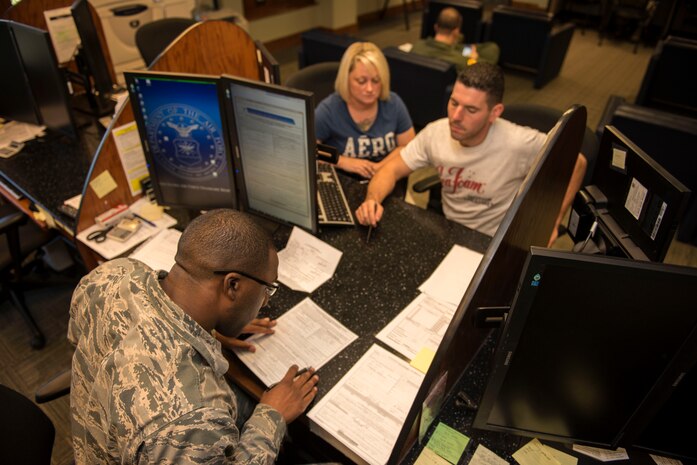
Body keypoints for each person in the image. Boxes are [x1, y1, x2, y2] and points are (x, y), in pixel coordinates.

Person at [68, 209, 319, 465]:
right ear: (233, 285)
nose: (265, 301)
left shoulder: (113, 274)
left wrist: (208, 332)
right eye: (266, 289)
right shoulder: (192, 420)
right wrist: (271, 417)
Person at [355, 62, 587, 244]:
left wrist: (553, 220)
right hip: (450, 232)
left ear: (494, 112)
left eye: (471, 109)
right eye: (454, 103)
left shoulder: (519, 142)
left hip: (496, 240)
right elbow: (392, 169)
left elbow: (577, 163)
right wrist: (372, 199)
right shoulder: (435, 132)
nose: (455, 117)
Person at [315, 41, 416, 179]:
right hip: (345, 182)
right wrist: (343, 161)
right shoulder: (329, 110)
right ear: (347, 79)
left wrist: (381, 166)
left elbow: (409, 147)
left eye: (376, 81)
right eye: (361, 81)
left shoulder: (393, 103)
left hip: (386, 179)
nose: (369, 89)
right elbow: (308, 149)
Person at [410, 7, 500, 72]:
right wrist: (473, 59)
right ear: (456, 31)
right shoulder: (462, 61)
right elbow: (486, 69)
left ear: (436, 27)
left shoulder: (417, 46)